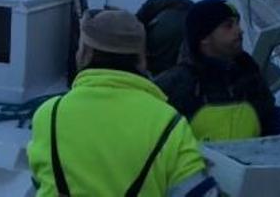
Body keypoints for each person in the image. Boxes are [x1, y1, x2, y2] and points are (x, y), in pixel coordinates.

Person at [28, 10, 217, 197]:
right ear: (141, 60)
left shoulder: (48, 115)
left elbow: (40, 180)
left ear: (85, 53)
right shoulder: (170, 123)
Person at [156, 0, 280, 142]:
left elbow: (268, 118)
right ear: (204, 38)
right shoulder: (176, 83)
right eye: (228, 26)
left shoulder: (249, 73)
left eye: (237, 23)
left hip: (250, 161)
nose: (240, 30)